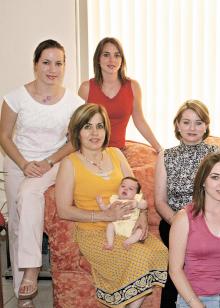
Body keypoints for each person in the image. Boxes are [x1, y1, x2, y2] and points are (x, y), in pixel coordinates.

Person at [55, 104, 168, 307]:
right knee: (139, 257)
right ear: (77, 131)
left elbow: (137, 192)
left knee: (160, 252)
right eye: (87, 126)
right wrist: (104, 216)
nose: (95, 132)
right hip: (94, 232)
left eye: (100, 126)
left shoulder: (116, 154)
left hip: (126, 228)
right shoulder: (69, 163)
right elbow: (63, 209)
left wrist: (142, 218)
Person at [0, 39, 83, 307]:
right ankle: (24, 297)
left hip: (53, 163)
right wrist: (24, 164)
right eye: (46, 62)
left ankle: (32, 270)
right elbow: (3, 135)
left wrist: (48, 161)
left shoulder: (73, 102)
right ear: (35, 64)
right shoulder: (15, 97)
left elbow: (74, 141)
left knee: (29, 194)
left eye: (58, 63)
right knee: (16, 224)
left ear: (64, 66)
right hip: (17, 163)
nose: (52, 69)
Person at [155, 100, 220, 307]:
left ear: (206, 126)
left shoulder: (216, 154)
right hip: (174, 220)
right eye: (186, 122)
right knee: (176, 264)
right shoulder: (166, 155)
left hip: (209, 221)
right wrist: (178, 222)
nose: (192, 128)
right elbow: (160, 201)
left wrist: (203, 222)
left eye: (198, 122)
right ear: (177, 125)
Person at [169, 153, 220, 308]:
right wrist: (197, 305)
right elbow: (175, 270)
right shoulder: (183, 218)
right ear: (203, 181)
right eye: (215, 177)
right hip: (193, 300)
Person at [78, 37, 162, 152]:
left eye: (117, 55)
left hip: (119, 152)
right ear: (98, 59)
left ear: (122, 60)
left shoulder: (133, 86)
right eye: (106, 55)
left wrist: (158, 148)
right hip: (90, 151)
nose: (112, 60)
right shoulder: (85, 88)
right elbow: (77, 125)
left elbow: (139, 120)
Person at [96, 176, 148, 250]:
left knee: (140, 231)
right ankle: (110, 243)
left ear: (136, 194)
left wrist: (137, 204)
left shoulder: (136, 200)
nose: (125, 189)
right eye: (123, 186)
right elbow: (106, 210)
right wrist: (101, 204)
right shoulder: (114, 199)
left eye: (130, 188)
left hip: (132, 227)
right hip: (117, 225)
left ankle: (128, 242)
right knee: (110, 225)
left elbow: (145, 205)